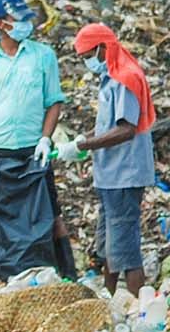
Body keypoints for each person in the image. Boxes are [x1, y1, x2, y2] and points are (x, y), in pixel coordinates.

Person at [0, 0, 73, 278]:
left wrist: (45, 139)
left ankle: (63, 275)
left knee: (49, 217)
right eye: (18, 20)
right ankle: (8, 278)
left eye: (27, 20)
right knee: (3, 221)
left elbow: (53, 102)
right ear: (1, 24)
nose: (25, 25)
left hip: (33, 154)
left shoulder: (42, 56)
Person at [58, 24, 157, 295]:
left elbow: (126, 129)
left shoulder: (126, 78)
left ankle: (138, 310)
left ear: (103, 48)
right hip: (111, 175)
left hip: (125, 174)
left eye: (88, 55)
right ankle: (109, 299)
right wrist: (81, 140)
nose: (86, 62)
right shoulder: (111, 77)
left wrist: (85, 144)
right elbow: (107, 126)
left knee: (125, 249)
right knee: (110, 244)